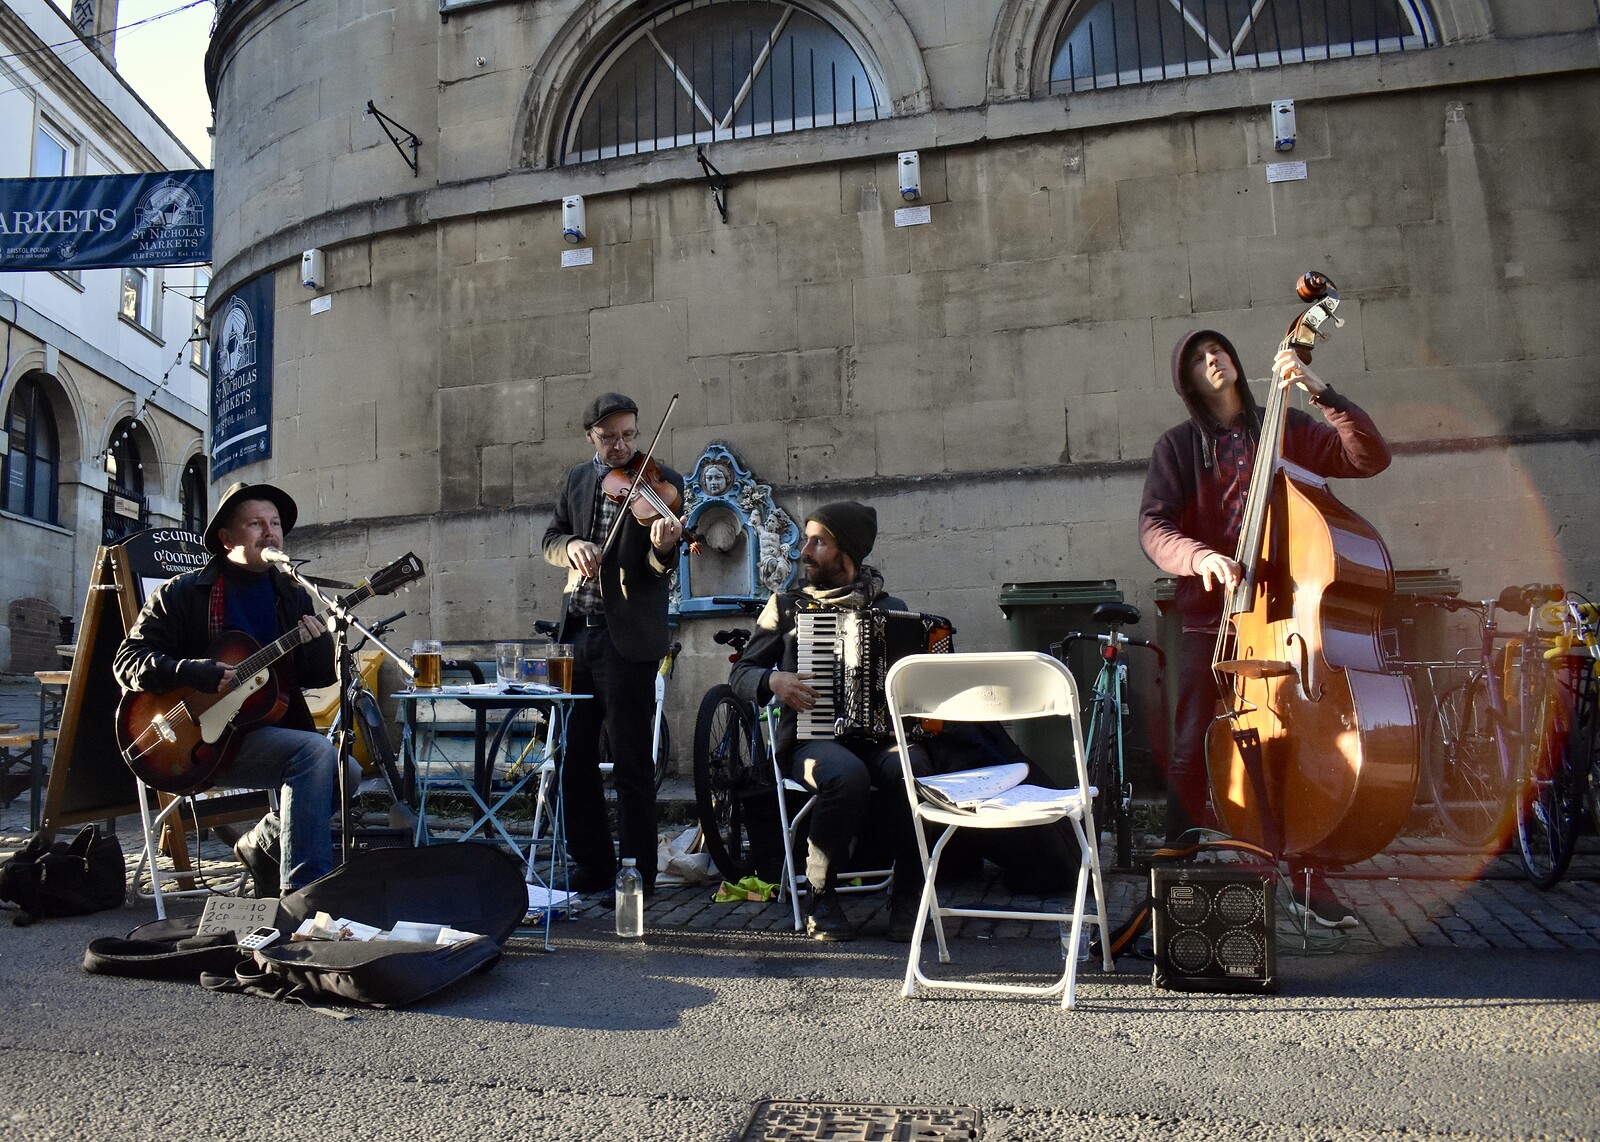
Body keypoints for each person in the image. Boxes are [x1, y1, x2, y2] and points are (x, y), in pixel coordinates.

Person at [1139, 330, 1393, 930]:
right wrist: (1200, 557)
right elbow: (1155, 527)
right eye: (1200, 359)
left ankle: (1308, 880)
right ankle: (1178, 872)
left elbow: (1367, 458)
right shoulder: (1177, 448)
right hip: (1213, 619)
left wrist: (1320, 390)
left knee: (1297, 747)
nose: (1213, 360)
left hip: (1286, 619)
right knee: (1191, 745)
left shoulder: (1288, 428)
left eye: (1220, 350)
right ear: (1190, 381)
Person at [113, 481, 340, 896]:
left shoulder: (291, 595)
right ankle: (305, 894)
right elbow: (127, 660)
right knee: (316, 754)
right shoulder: (183, 593)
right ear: (226, 537)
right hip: (191, 742)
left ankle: (260, 844)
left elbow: (318, 677)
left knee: (346, 773)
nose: (269, 532)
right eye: (256, 523)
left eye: (275, 524)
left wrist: (320, 640)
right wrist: (188, 671)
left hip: (263, 732)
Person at [730, 501, 928, 942]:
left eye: (818, 541)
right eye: (807, 539)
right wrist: (774, 679)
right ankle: (822, 894)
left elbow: (915, 688)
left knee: (913, 768)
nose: (805, 550)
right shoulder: (785, 606)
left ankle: (910, 895)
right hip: (808, 740)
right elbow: (740, 674)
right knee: (845, 774)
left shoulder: (892, 608)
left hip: (878, 739)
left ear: (847, 552)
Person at [541, 393, 685, 895]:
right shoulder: (579, 480)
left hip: (627, 640)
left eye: (629, 434)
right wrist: (571, 547)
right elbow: (550, 539)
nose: (622, 445)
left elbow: (657, 569)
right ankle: (593, 863)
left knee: (631, 762)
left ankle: (639, 871)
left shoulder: (663, 483)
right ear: (591, 438)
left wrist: (664, 547)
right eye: (610, 437)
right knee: (572, 758)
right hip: (576, 637)